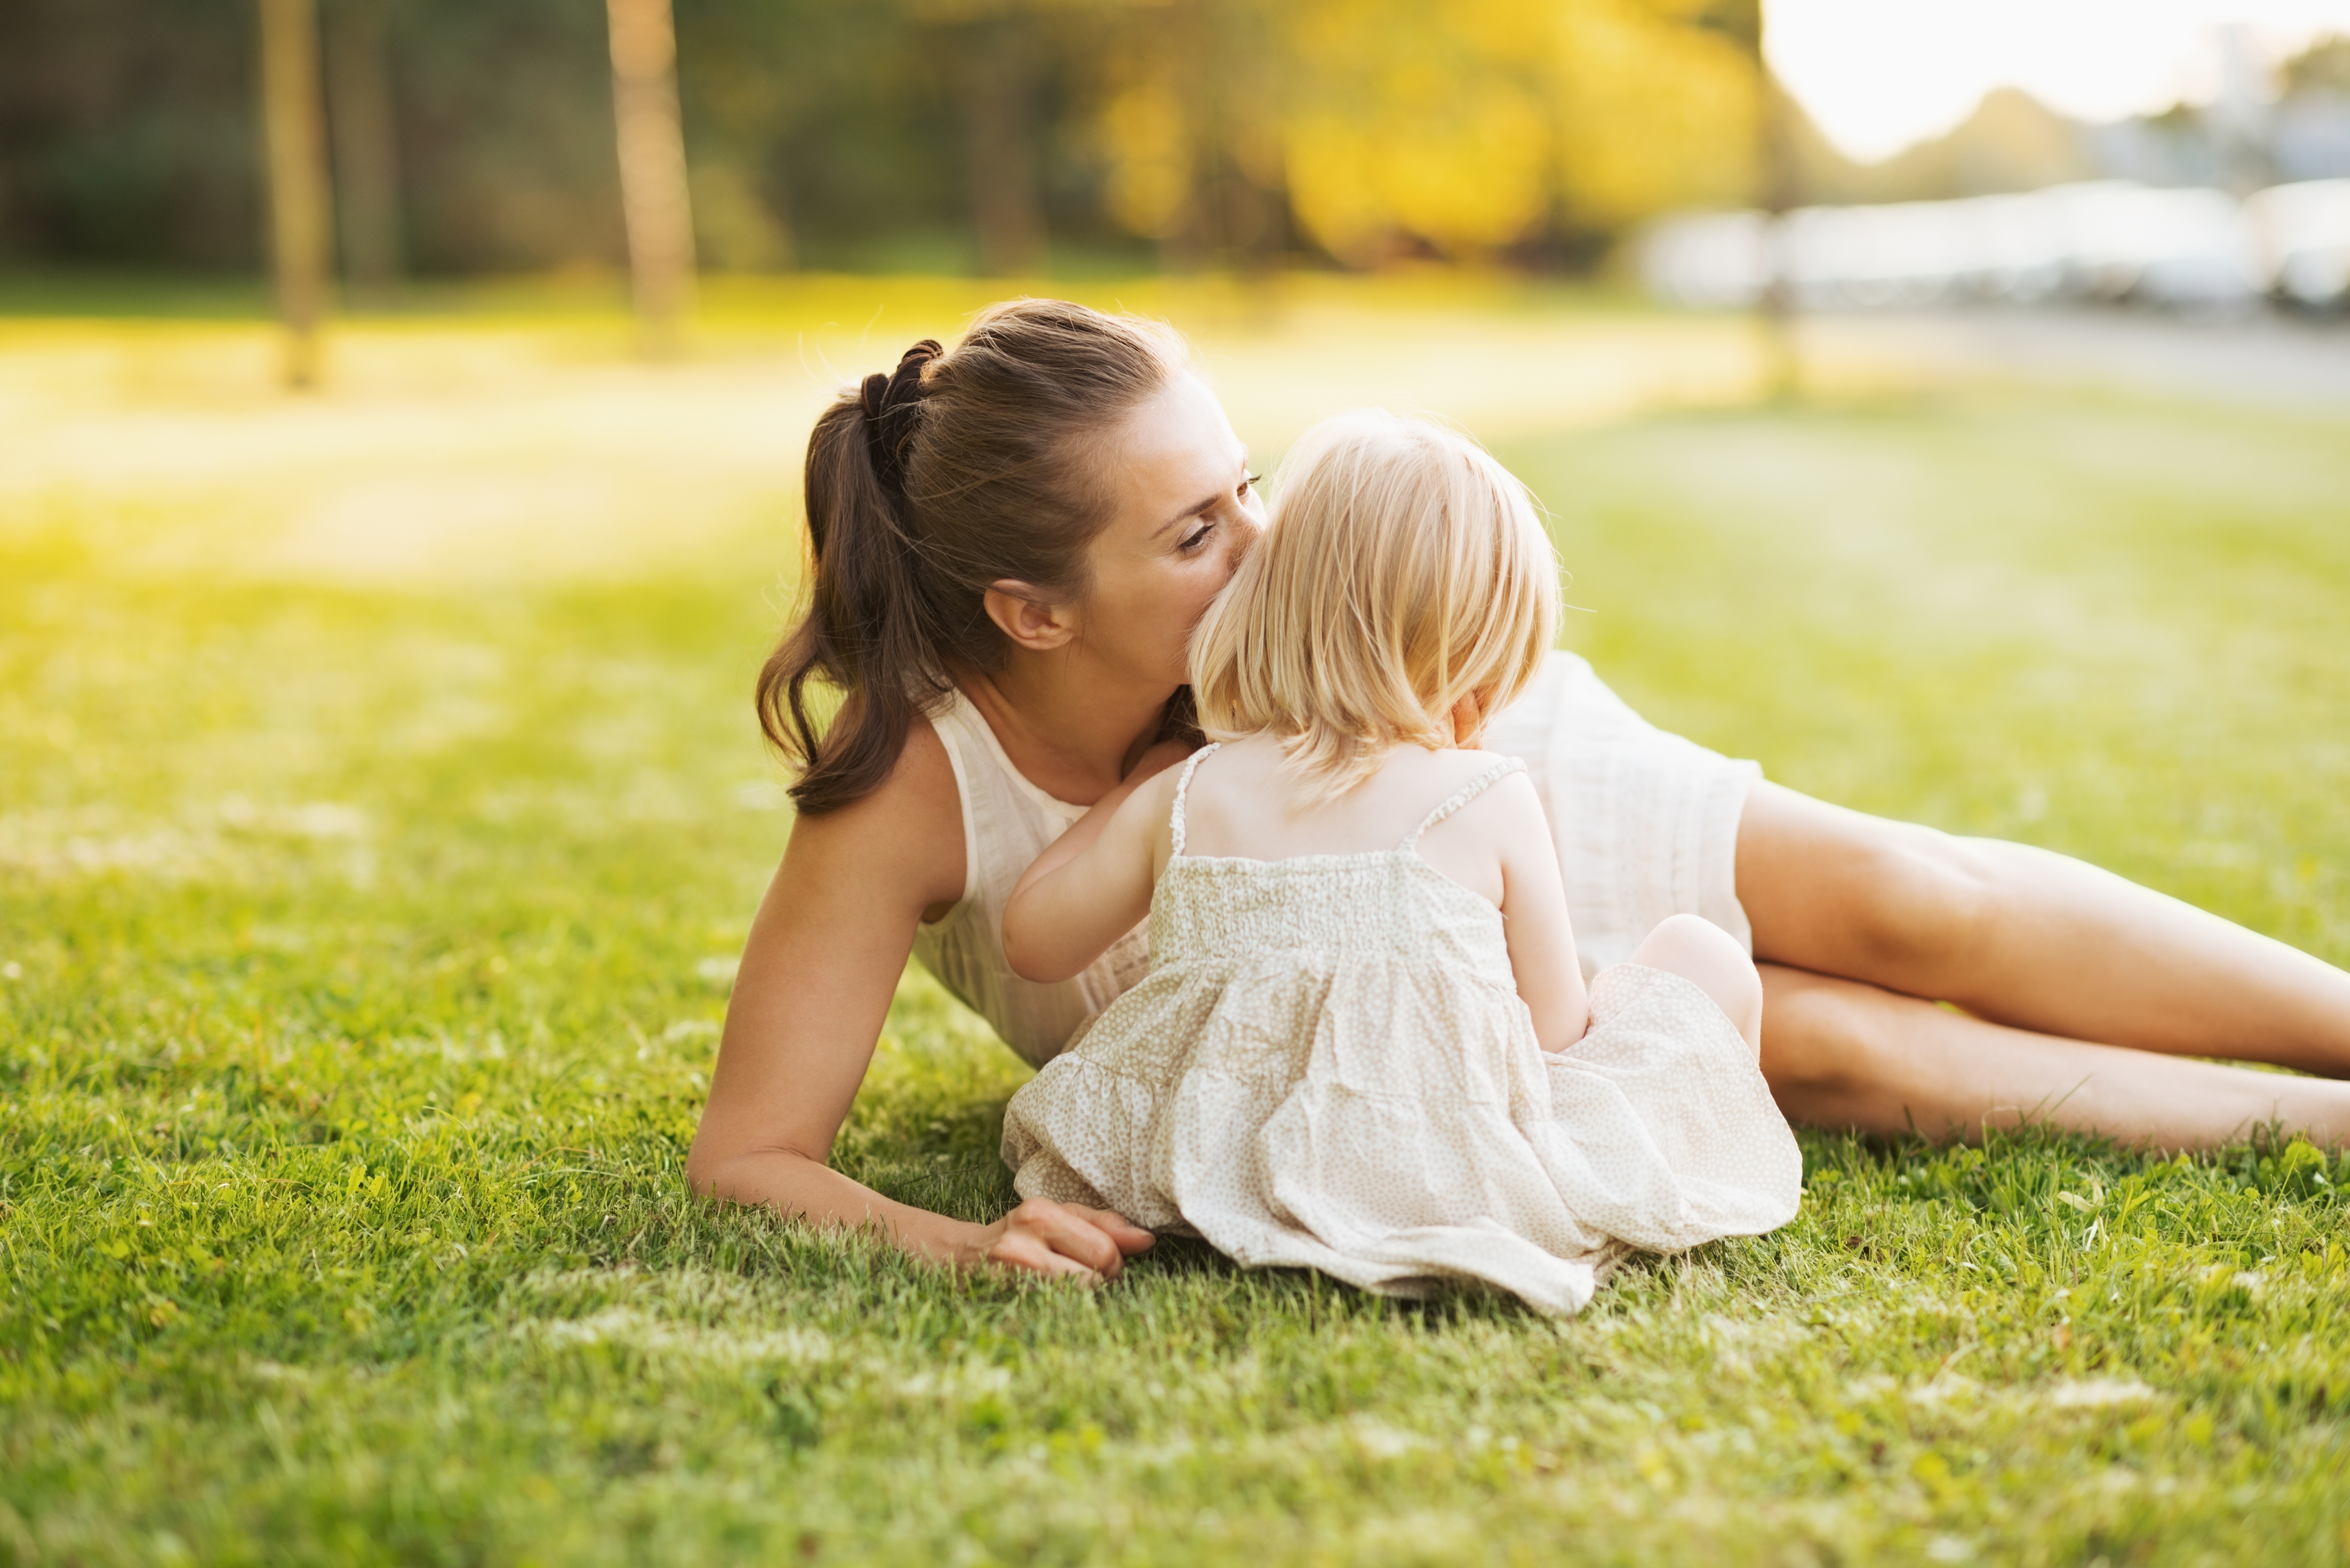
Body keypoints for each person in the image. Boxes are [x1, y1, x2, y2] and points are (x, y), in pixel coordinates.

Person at [686, 298, 2350, 1284]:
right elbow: (752, 1155)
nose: (1274, 547)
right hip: (1389, 1035)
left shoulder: (1327, 642)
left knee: (1917, 905)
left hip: (1449, 765)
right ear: (1031, 614)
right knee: (1829, 1043)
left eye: (1248, 486)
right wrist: (968, 1245)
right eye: (1195, 536)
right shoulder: (915, 786)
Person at [995, 409, 1802, 1313]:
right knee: (1698, 955)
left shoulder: (1183, 795)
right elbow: (1552, 1035)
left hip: (1215, 1159)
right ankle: (1723, 1148)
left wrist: (1133, 786)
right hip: (1443, 1169)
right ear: (1463, 667)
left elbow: (1032, 940)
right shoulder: (1485, 792)